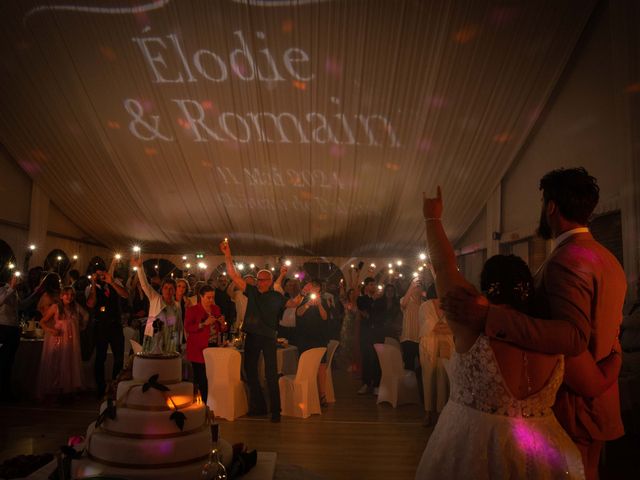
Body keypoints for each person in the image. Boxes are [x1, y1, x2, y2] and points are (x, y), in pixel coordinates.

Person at [441, 168, 627, 479]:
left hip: (575, 404)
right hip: (599, 398)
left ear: (551, 207)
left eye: (543, 202)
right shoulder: (608, 259)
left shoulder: (568, 260)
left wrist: (489, 317)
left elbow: (573, 336)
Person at [220, 239, 285, 422]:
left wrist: (305, 296)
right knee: (250, 370)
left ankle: (276, 411)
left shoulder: (276, 296)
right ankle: (260, 407)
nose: (259, 282)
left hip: (269, 337)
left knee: (271, 374)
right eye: (258, 280)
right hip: (253, 336)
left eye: (263, 280)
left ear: (270, 281)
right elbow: (233, 275)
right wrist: (227, 254)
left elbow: (292, 304)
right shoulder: (252, 291)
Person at [36, 286, 87, 401]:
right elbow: (42, 321)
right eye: (67, 294)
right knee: (58, 362)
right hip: (59, 339)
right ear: (61, 296)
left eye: (72, 295)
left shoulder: (75, 308)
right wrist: (50, 330)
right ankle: (55, 390)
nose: (69, 297)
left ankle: (66, 389)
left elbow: (86, 315)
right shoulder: (55, 307)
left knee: (69, 362)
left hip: (71, 340)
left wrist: (81, 326)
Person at [86, 261, 128, 397]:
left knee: (119, 357)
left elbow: (125, 295)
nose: (101, 276)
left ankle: (115, 385)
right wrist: (93, 284)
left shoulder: (114, 283)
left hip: (115, 325)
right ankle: (100, 387)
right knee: (100, 357)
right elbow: (91, 303)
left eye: (102, 273)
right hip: (101, 326)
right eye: (98, 275)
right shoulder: (90, 287)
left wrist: (112, 283)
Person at [418, 283, 454, 426]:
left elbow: (453, 326)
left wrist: (441, 327)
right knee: (428, 376)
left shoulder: (450, 306)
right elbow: (428, 326)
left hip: (447, 344)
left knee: (444, 377)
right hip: (429, 344)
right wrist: (442, 327)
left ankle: (441, 412)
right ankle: (428, 412)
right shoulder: (425, 306)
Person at [130, 257, 182, 354]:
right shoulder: (155, 299)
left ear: (174, 291)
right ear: (162, 289)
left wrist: (177, 344)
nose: (168, 291)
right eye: (166, 288)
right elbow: (145, 285)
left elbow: (177, 326)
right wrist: (140, 268)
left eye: (171, 288)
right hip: (153, 337)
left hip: (169, 340)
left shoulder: (176, 306)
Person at [184, 285, 227, 402]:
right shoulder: (193, 310)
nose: (211, 300)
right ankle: (203, 402)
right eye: (208, 298)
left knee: (212, 376)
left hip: (212, 347)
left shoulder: (216, 308)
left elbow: (221, 328)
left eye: (213, 297)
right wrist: (203, 324)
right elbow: (188, 327)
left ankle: (211, 402)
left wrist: (223, 324)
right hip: (198, 348)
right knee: (201, 377)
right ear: (201, 297)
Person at [400, 277, 424, 399]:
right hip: (408, 338)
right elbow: (403, 304)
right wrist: (412, 284)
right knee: (409, 367)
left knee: (423, 366)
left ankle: (421, 392)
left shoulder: (424, 304)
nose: (417, 289)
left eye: (419, 287)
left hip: (421, 339)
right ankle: (408, 394)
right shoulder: (406, 301)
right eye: (415, 287)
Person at [0, 273, 20, 402]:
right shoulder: (3, 289)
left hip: (13, 328)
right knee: (3, 360)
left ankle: (6, 391)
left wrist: (35, 293)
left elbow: (20, 306)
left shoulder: (16, 291)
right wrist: (11, 287)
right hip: (3, 328)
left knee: (10, 361)